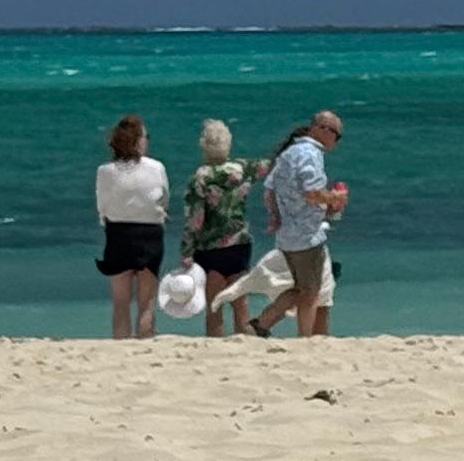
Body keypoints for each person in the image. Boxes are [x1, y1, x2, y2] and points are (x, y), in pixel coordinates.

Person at [248, 109, 346, 338]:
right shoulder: (311, 154)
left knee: (303, 287)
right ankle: (304, 338)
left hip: (287, 236)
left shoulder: (290, 153)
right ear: (323, 130)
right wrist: (333, 198)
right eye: (336, 135)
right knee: (311, 292)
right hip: (306, 235)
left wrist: (275, 217)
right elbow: (312, 193)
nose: (336, 141)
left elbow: (269, 189)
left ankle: (259, 325)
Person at [180, 119, 260, 338]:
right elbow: (268, 165)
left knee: (214, 305)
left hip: (210, 246)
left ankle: (215, 343)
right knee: (240, 302)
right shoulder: (242, 169)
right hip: (239, 243)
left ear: (204, 145)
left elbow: (195, 219)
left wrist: (186, 250)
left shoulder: (200, 177)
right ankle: (244, 344)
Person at [94, 113, 168, 340]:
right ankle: (145, 340)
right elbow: (163, 199)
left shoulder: (105, 171)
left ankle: (121, 346)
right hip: (149, 234)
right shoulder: (156, 167)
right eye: (145, 137)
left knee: (121, 302)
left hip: (119, 234)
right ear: (137, 141)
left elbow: (102, 206)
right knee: (146, 302)